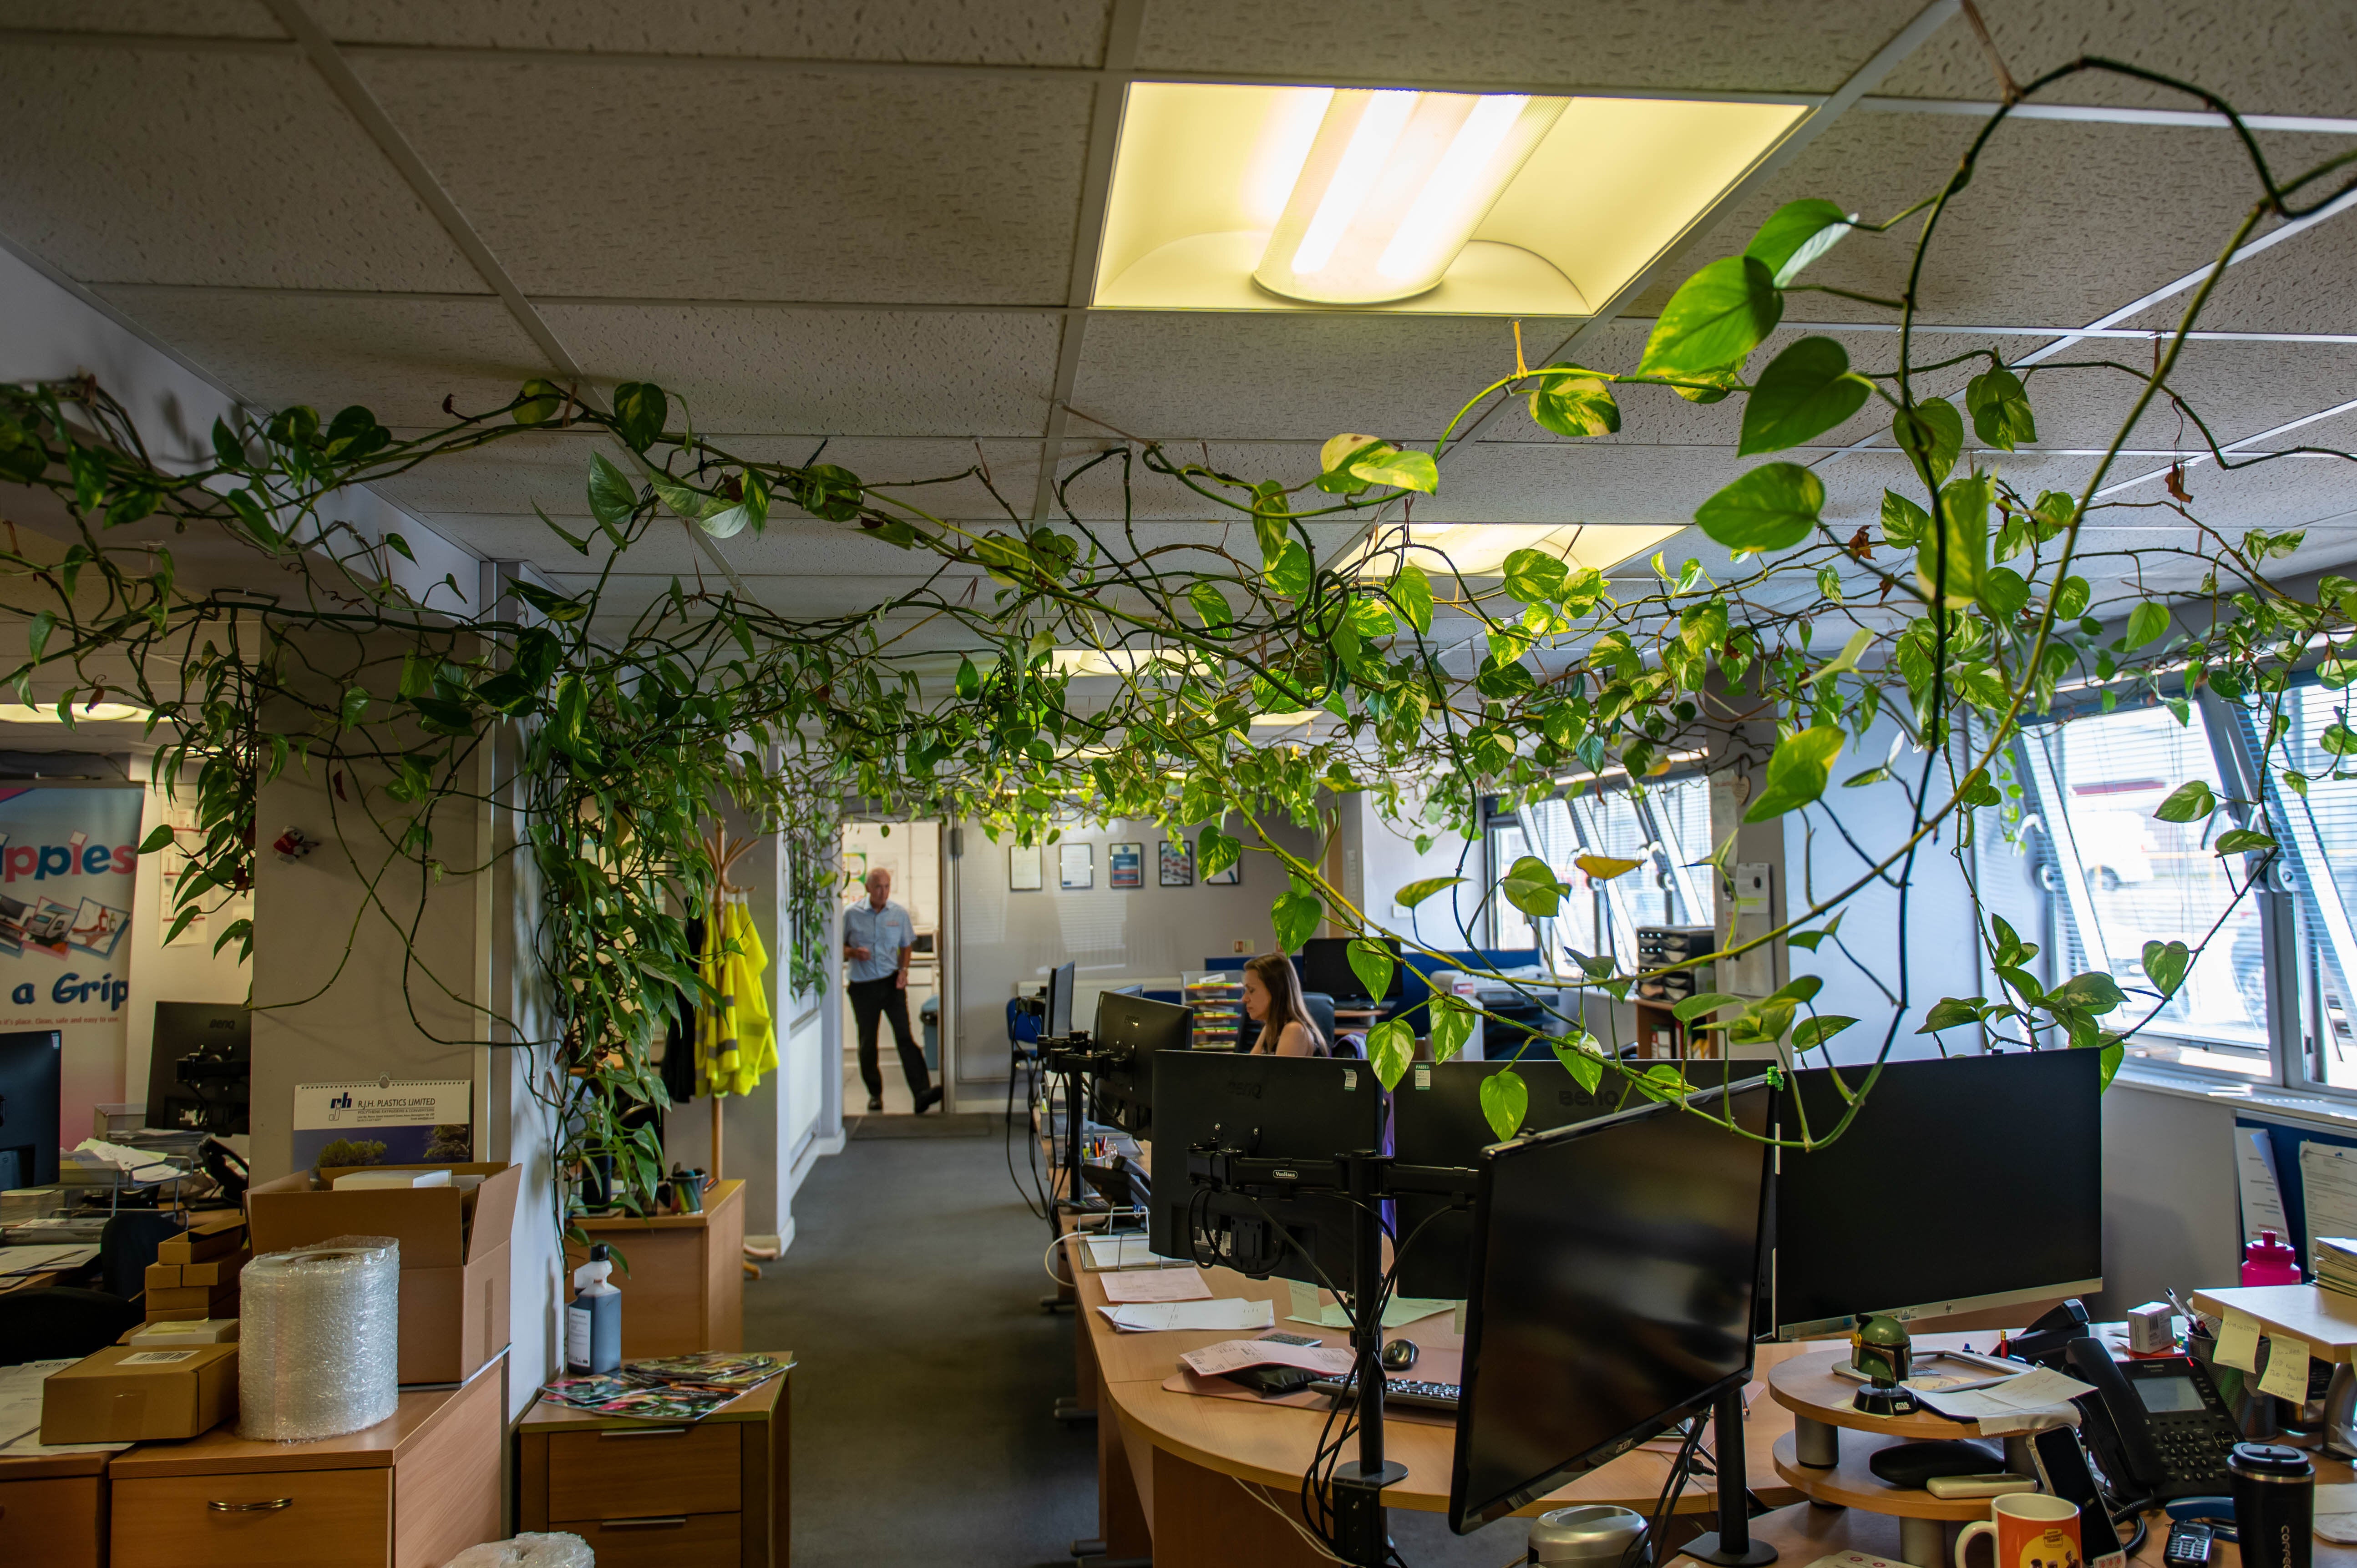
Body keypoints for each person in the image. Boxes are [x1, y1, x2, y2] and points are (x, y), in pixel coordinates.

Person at [843, 868, 940, 1113]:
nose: (883, 892)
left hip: (891, 984)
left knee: (905, 1037)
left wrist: (904, 970)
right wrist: (854, 953)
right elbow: (838, 946)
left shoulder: (898, 913)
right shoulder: (850, 915)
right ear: (867, 888)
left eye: (887, 887)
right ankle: (875, 1094)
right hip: (863, 986)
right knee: (868, 1042)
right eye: (878, 887)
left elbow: (906, 945)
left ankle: (921, 1093)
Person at [1240, 951, 1327, 1056]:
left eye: (1252, 990)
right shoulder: (1271, 1028)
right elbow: (1249, 1069)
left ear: (1276, 991)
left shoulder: (1294, 1030)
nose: (1244, 999)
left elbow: (1277, 1073)